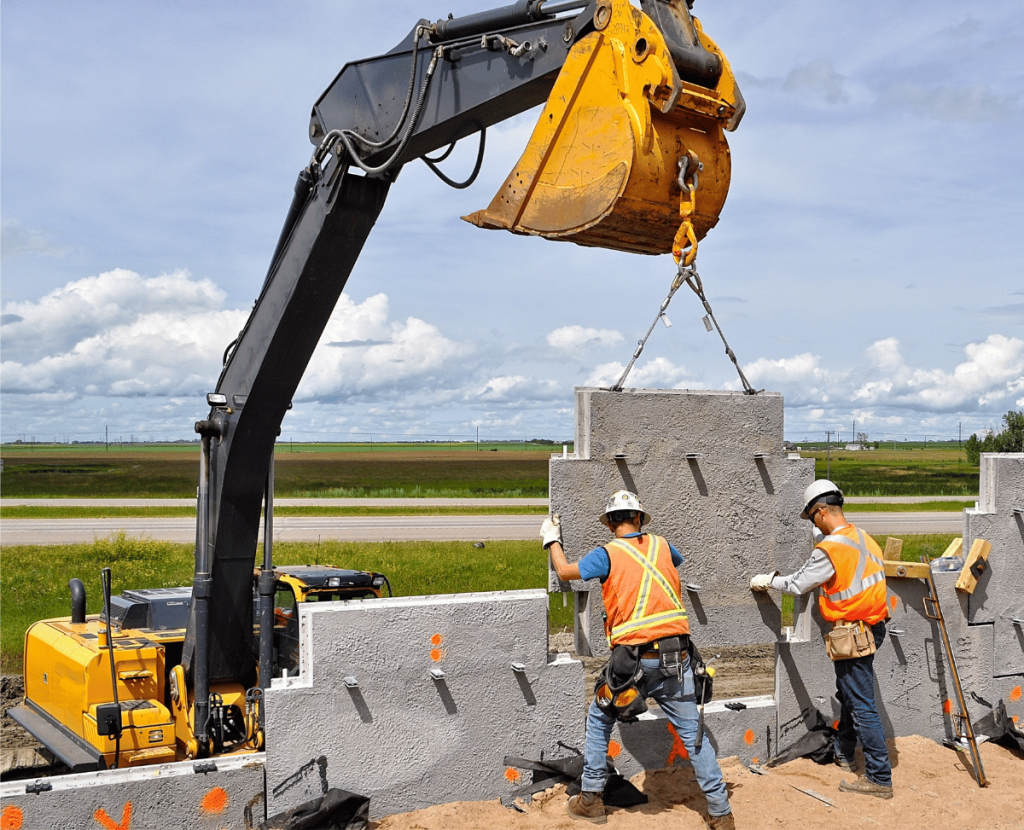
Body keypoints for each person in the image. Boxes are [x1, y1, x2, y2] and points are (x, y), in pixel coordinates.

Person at [542, 490, 734, 829]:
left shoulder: (607, 554)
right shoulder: (663, 546)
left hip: (633, 661)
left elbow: (565, 571)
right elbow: (671, 564)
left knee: (600, 718)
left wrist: (551, 540)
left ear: (611, 523)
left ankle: (590, 799)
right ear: (640, 519)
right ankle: (720, 812)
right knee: (694, 734)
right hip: (678, 655)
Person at [749, 478, 893, 800]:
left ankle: (880, 777)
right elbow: (846, 565)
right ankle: (843, 751)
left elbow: (799, 585)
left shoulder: (829, 551)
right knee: (850, 695)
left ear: (820, 511)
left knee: (863, 706)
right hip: (875, 628)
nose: (814, 524)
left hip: (853, 635)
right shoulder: (863, 538)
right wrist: (820, 538)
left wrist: (769, 581)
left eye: (813, 518)